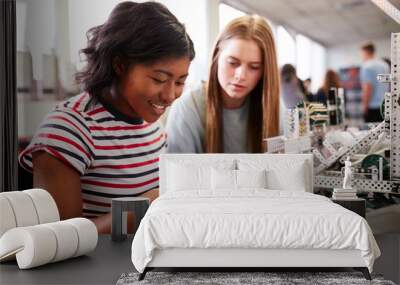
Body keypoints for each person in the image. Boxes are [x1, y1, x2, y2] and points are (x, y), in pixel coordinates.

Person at [19, 1, 195, 233]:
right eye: (159, 79)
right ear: (120, 64)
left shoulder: (150, 123)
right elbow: (58, 240)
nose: (171, 95)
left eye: (180, 81)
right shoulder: (68, 130)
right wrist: (140, 210)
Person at [165, 15, 280, 153]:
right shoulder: (188, 108)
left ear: (265, 71)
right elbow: (179, 173)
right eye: (232, 63)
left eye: (254, 67)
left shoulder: (274, 107)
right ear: (217, 56)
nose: (241, 75)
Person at [360, 42, 390, 122]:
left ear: (365, 52)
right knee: (385, 132)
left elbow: (368, 88)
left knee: (372, 132)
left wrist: (364, 106)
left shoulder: (367, 66)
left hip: (373, 108)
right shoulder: (385, 65)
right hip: (386, 105)